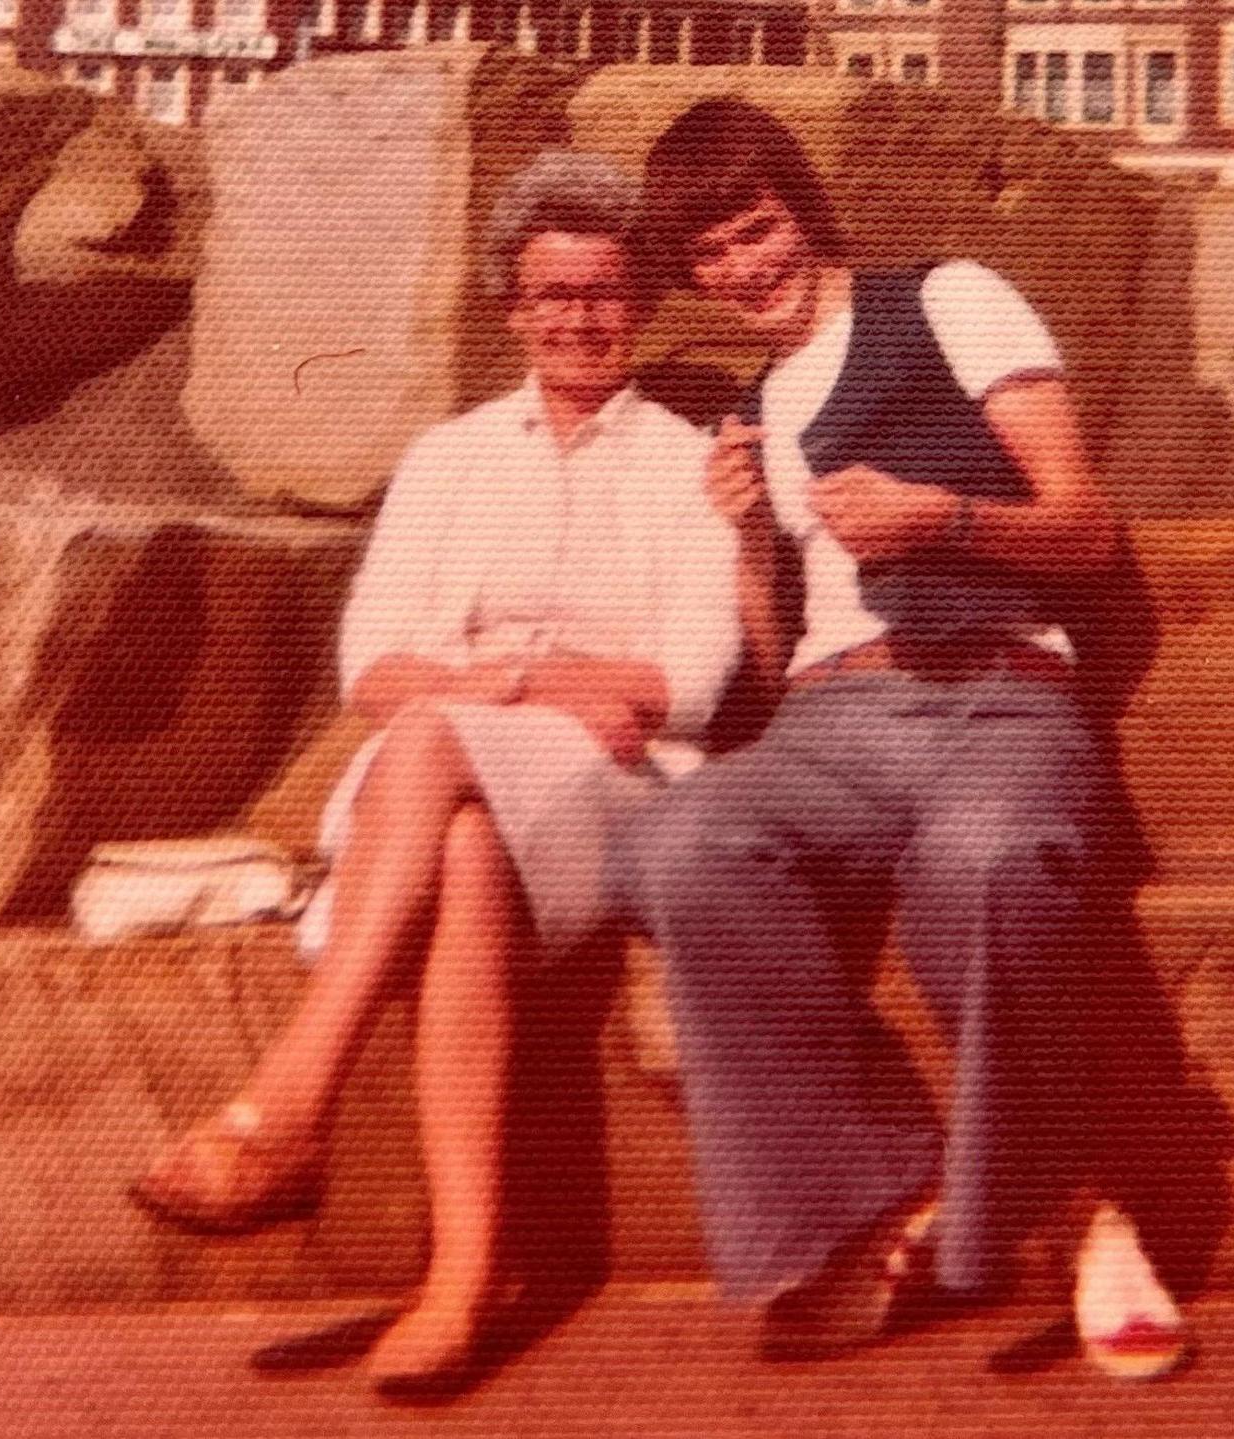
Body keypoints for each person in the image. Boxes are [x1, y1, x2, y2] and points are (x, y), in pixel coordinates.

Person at [131, 150, 741, 1398]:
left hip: (614, 792)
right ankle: (460, 1283)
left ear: (644, 305)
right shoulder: (450, 457)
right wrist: (543, 680)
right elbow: (369, 668)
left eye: (606, 292)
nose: (579, 318)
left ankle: (292, 1097)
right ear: (511, 310)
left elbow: (689, 685)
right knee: (458, 834)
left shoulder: (688, 463)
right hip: (453, 784)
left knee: (430, 743)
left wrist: (483, 680)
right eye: (552, 294)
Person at [619, 98, 1191, 1379]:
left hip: (1001, 691)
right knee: (676, 841)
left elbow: (1087, 531)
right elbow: (777, 674)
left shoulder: (950, 297)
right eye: (709, 255)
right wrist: (747, 541)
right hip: (835, 722)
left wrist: (940, 517)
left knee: (984, 859)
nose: (743, 269)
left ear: (805, 211)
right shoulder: (755, 408)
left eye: (757, 229)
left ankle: (1089, 1211)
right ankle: (878, 1194)